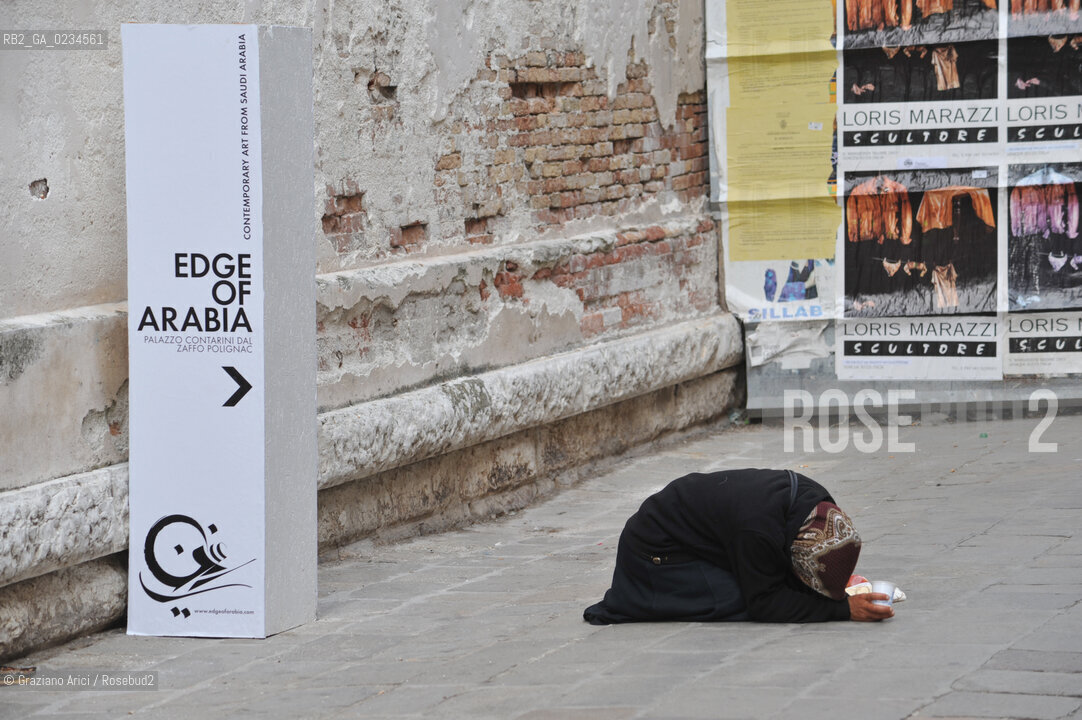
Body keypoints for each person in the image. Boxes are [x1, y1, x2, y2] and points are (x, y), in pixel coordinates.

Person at [583, 468, 894, 624]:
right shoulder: (757, 530)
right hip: (654, 553)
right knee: (744, 599)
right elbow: (765, 604)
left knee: (771, 581)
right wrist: (840, 609)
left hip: (706, 532)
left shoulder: (816, 499)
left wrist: (832, 579)